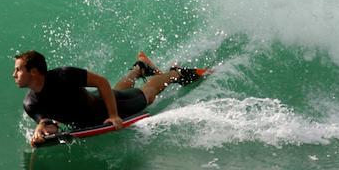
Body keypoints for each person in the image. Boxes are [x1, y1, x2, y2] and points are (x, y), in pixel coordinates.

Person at [13, 50, 205, 146]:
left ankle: (174, 73)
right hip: (91, 107)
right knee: (117, 91)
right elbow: (49, 123)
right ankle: (140, 67)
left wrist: (113, 115)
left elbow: (102, 83)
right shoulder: (30, 104)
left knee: (147, 95)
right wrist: (42, 131)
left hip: (105, 106)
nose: (14, 75)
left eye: (18, 70)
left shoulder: (64, 75)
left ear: (35, 72)